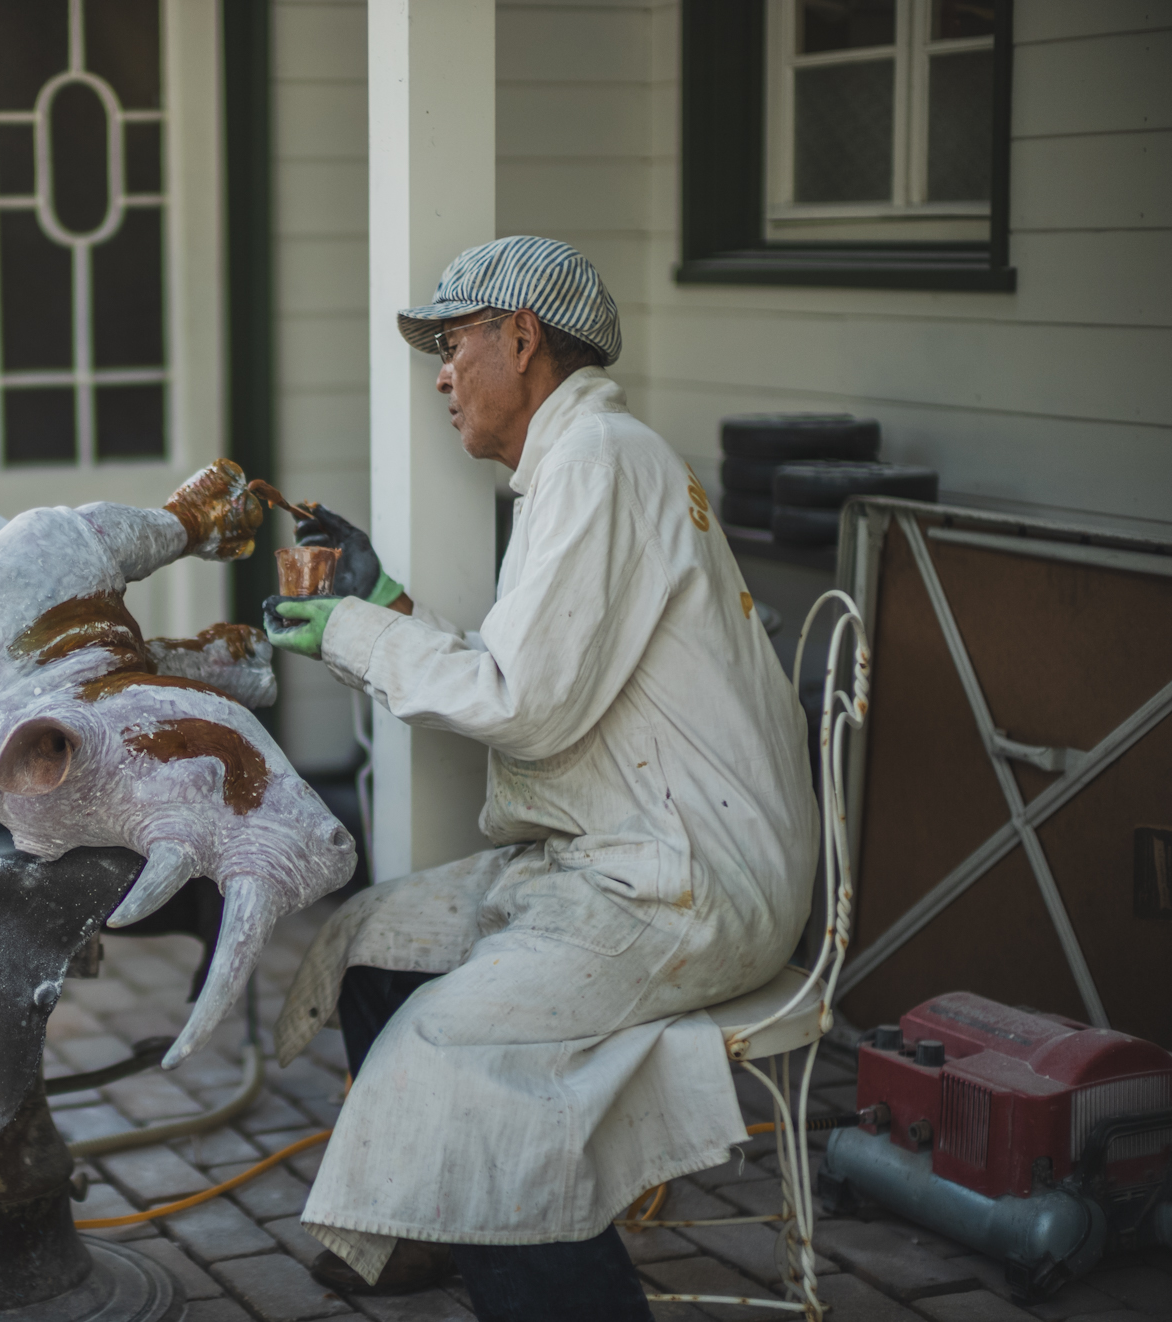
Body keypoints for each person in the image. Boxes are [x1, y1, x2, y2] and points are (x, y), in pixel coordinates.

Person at [261, 236, 818, 1321]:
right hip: (624, 854)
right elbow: (532, 670)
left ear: (520, 338)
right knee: (371, 942)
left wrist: (354, 634)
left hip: (683, 880)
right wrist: (384, 602)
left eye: (451, 344)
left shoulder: (598, 462)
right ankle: (437, 1223)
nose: (439, 375)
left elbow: (522, 705)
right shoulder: (579, 463)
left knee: (447, 1053)